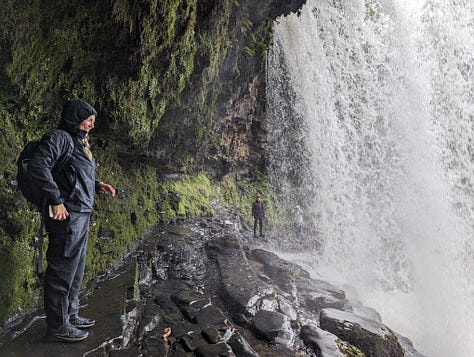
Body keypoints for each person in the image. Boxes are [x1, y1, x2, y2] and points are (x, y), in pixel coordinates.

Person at [30, 99, 116, 342]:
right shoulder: (60, 137)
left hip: (81, 213)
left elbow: (74, 173)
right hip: (67, 214)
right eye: (88, 118)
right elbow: (39, 164)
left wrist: (97, 184)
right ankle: (58, 326)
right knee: (62, 270)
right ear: (75, 116)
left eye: (93, 121)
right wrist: (55, 200)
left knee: (76, 269)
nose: (91, 124)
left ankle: (70, 314)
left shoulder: (79, 142)